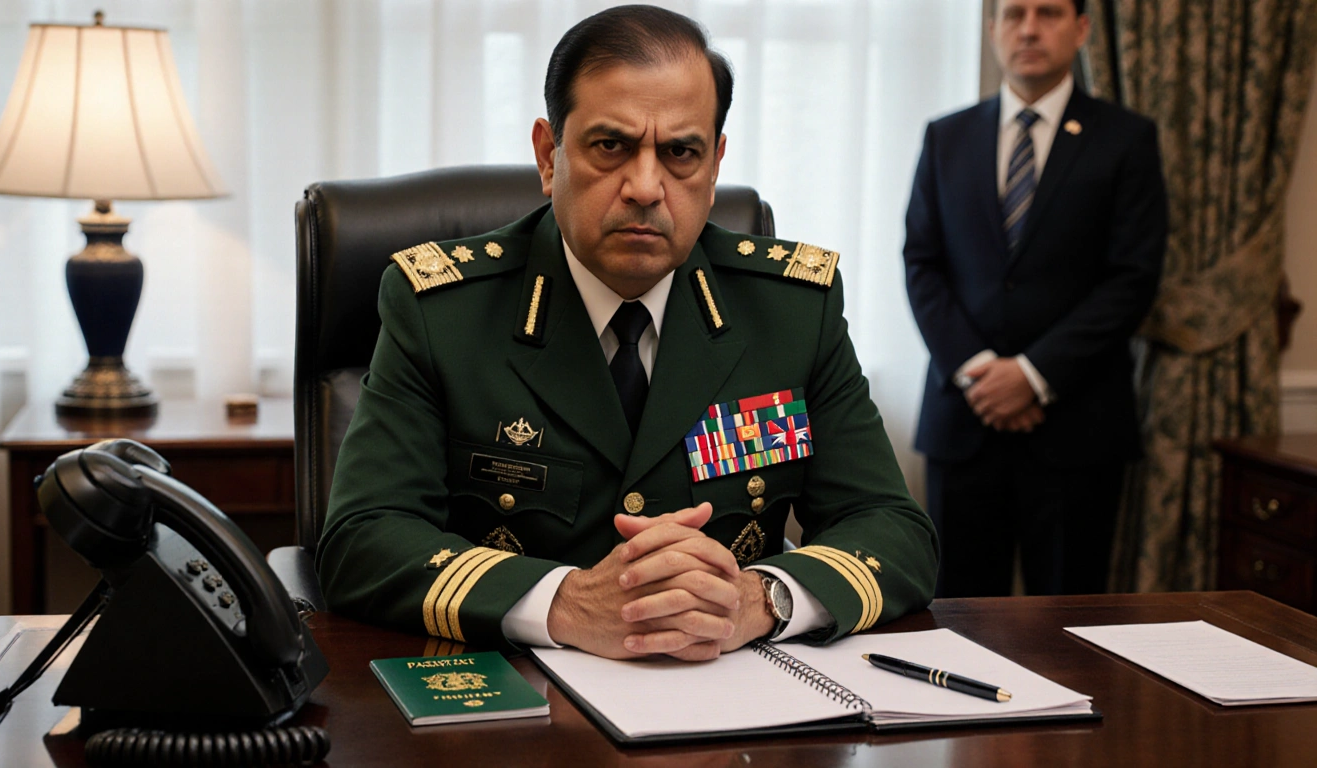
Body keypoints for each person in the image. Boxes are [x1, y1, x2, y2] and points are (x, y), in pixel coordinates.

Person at [318, 4, 937, 661]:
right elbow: (363, 537)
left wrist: (759, 599)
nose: (646, 186)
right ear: (549, 155)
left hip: (728, 707)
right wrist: (564, 603)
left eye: (680, 153)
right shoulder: (443, 312)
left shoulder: (790, 311)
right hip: (517, 708)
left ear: (715, 164)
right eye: (611, 146)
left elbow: (893, 530)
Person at [903, 0, 1166, 598]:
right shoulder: (947, 136)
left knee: (1073, 624)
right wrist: (979, 373)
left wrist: (1032, 374)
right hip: (964, 423)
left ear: (1080, 29)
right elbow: (922, 262)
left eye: (1047, 12)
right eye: (1013, 13)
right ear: (992, 29)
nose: (1028, 27)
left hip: (1077, 423)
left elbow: (1133, 279)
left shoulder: (1126, 139)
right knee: (957, 617)